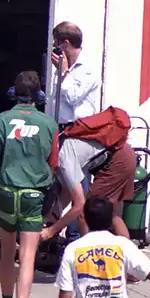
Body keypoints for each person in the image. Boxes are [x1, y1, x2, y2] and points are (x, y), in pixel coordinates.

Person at [0, 71, 58, 298]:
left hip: (5, 193)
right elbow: (53, 164)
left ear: (14, 92)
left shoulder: (0, 120)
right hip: (33, 195)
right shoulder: (49, 124)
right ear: (38, 95)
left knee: (8, 250)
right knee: (28, 256)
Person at [42, 109, 136, 241]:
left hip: (117, 161)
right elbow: (67, 192)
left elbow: (79, 204)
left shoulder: (63, 160)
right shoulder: (59, 146)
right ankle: (126, 251)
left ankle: (89, 253)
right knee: (111, 213)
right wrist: (54, 216)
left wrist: (51, 231)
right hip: (122, 154)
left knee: (87, 211)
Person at [51, 21, 101, 242]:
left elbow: (72, 98)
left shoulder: (86, 70)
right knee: (60, 183)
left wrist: (64, 73)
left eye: (56, 43)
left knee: (77, 186)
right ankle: (54, 225)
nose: (54, 48)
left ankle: (75, 237)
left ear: (65, 43)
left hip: (79, 133)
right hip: (62, 131)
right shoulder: (65, 69)